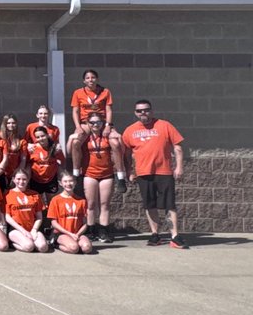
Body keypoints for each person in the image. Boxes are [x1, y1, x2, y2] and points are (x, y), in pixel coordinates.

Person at [122, 99, 185, 248]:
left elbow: (178, 148)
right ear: (135, 113)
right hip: (143, 173)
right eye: (139, 110)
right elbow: (126, 153)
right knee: (150, 205)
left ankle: (175, 236)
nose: (143, 112)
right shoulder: (130, 130)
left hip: (164, 172)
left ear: (151, 111)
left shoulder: (165, 125)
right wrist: (129, 171)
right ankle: (155, 235)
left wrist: (179, 167)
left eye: (146, 110)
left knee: (170, 205)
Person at [67, 70, 124, 192]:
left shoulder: (105, 92)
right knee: (76, 143)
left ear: (97, 79)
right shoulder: (78, 93)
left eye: (93, 77)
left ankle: (120, 176)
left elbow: (108, 110)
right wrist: (78, 126)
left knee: (115, 143)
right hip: (87, 123)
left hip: (102, 122)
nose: (90, 80)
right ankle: (76, 174)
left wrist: (108, 125)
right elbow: (75, 111)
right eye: (87, 78)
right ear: (84, 80)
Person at [81, 112, 119, 242]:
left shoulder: (107, 135)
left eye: (98, 122)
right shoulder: (84, 137)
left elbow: (119, 146)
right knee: (90, 204)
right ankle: (91, 230)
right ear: (88, 124)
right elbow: (71, 149)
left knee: (104, 204)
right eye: (92, 122)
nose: (95, 124)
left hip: (106, 174)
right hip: (90, 173)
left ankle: (103, 231)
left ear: (102, 123)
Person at [47, 171, 94, 254]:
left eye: (71, 181)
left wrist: (78, 234)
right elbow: (54, 223)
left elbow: (85, 223)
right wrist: (69, 234)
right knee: (74, 248)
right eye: (65, 181)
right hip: (61, 233)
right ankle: (56, 244)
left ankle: (75, 243)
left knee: (87, 248)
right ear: (60, 183)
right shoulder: (55, 200)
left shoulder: (82, 201)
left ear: (75, 182)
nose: (68, 184)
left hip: (77, 233)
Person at [4, 169, 49, 253]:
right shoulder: (8, 194)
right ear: (13, 179)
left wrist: (34, 230)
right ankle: (12, 243)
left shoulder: (35, 194)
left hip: (32, 229)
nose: (21, 181)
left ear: (28, 180)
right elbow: (7, 217)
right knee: (29, 247)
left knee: (43, 248)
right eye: (18, 179)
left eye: (24, 179)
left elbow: (39, 217)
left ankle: (29, 241)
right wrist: (23, 231)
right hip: (16, 229)